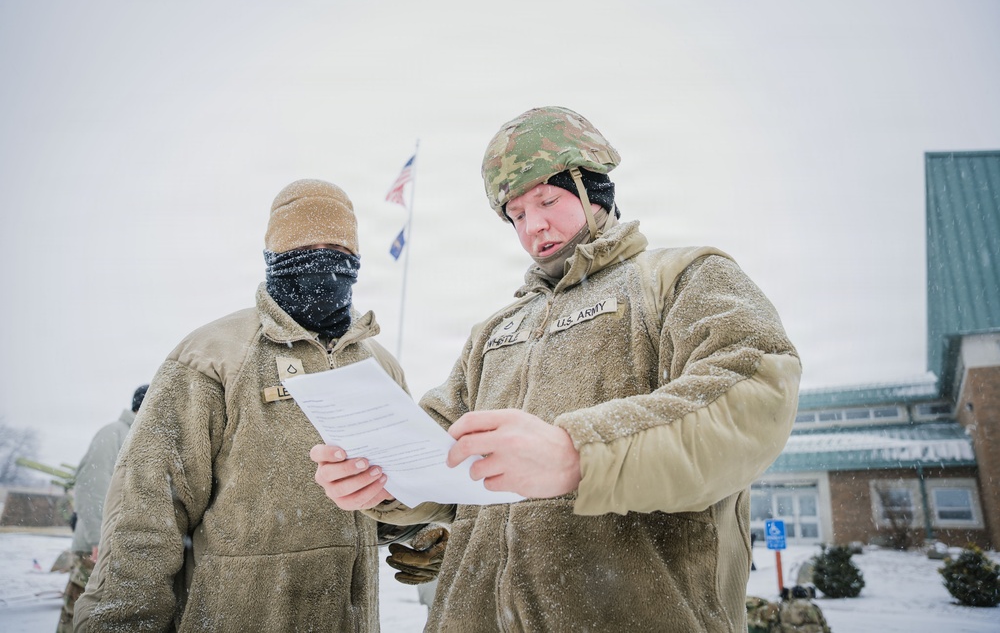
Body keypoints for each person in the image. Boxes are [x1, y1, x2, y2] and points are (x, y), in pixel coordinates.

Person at [311, 106, 802, 631]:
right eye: (516, 214)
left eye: (547, 200)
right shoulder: (495, 332)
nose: (533, 225)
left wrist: (579, 454)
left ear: (595, 190)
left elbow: (751, 396)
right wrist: (383, 481)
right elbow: (441, 450)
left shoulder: (682, 278)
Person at [75, 179, 409, 632]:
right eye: (304, 246)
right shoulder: (210, 357)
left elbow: (393, 489)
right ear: (274, 256)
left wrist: (415, 529)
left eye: (337, 246)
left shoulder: (379, 367)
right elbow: (145, 515)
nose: (324, 260)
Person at [56, 384, 147, 633]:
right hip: (96, 547)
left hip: (114, 543)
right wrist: (99, 539)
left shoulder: (138, 436)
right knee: (79, 613)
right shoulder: (114, 433)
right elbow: (91, 487)